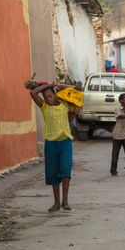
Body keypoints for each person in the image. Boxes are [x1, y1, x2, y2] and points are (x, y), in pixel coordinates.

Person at [30, 83, 76, 212]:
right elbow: (33, 93)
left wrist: (76, 113)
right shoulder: (44, 107)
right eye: (45, 97)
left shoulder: (65, 105)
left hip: (65, 141)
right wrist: (49, 85)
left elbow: (69, 118)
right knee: (53, 172)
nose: (48, 100)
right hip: (51, 142)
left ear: (55, 95)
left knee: (66, 170)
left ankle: (65, 201)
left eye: (50, 96)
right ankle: (56, 203)